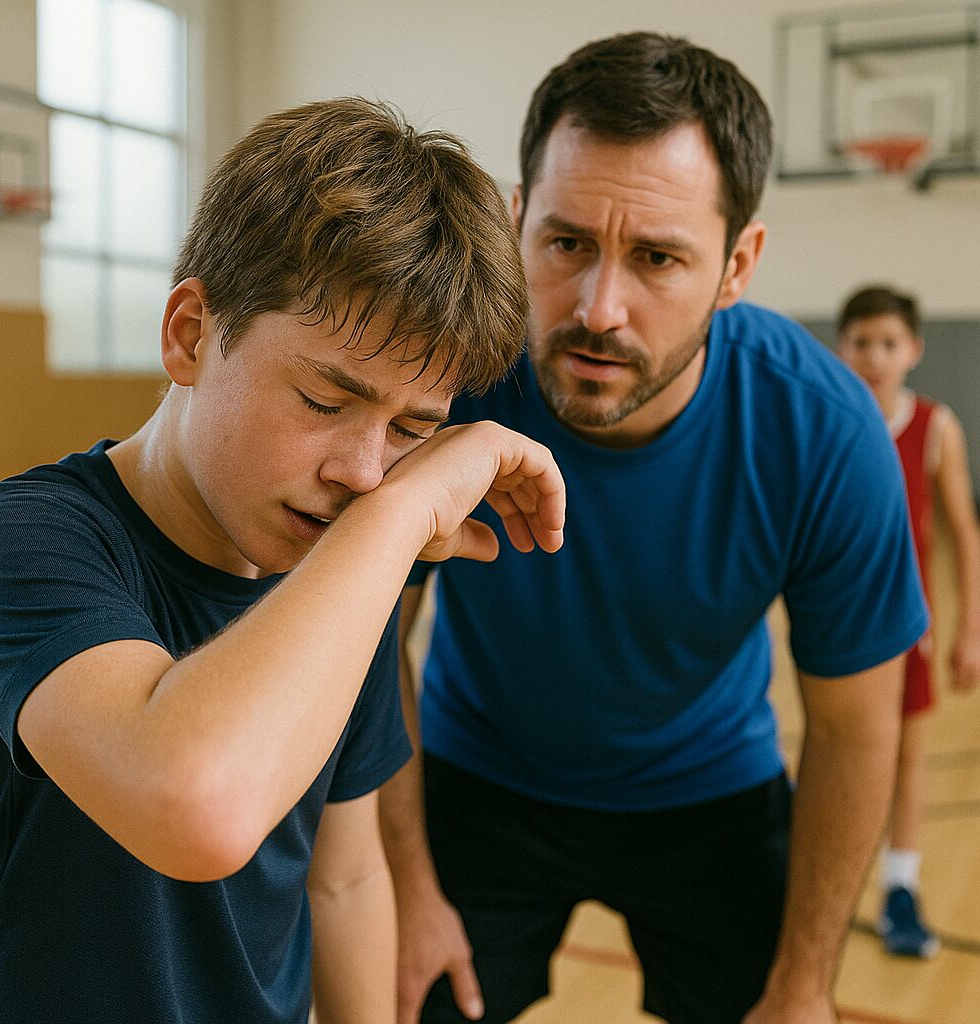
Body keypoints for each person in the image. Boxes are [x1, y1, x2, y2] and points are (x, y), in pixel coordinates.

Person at [0, 97, 567, 1024]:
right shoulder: (21, 539)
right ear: (191, 334)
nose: (364, 473)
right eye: (325, 401)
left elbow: (345, 879)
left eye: (412, 431)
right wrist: (404, 510)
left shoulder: (345, 565)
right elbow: (194, 806)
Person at [379, 32, 928, 1024]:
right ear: (516, 219)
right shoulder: (446, 382)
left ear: (737, 264)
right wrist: (407, 887)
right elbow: (371, 640)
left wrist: (803, 986)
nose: (598, 308)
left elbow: (855, 730)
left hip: (709, 792)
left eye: (657, 258)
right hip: (476, 774)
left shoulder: (826, 433)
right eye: (566, 244)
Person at [837, 285, 980, 959]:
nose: (874, 355)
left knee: (908, 758)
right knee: (840, 755)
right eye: (861, 342)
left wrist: (970, 628)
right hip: (838, 624)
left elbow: (963, 531)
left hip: (908, 625)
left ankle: (901, 887)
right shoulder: (830, 418)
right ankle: (824, 883)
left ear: (914, 350)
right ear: (841, 348)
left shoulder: (935, 427)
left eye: (888, 343)